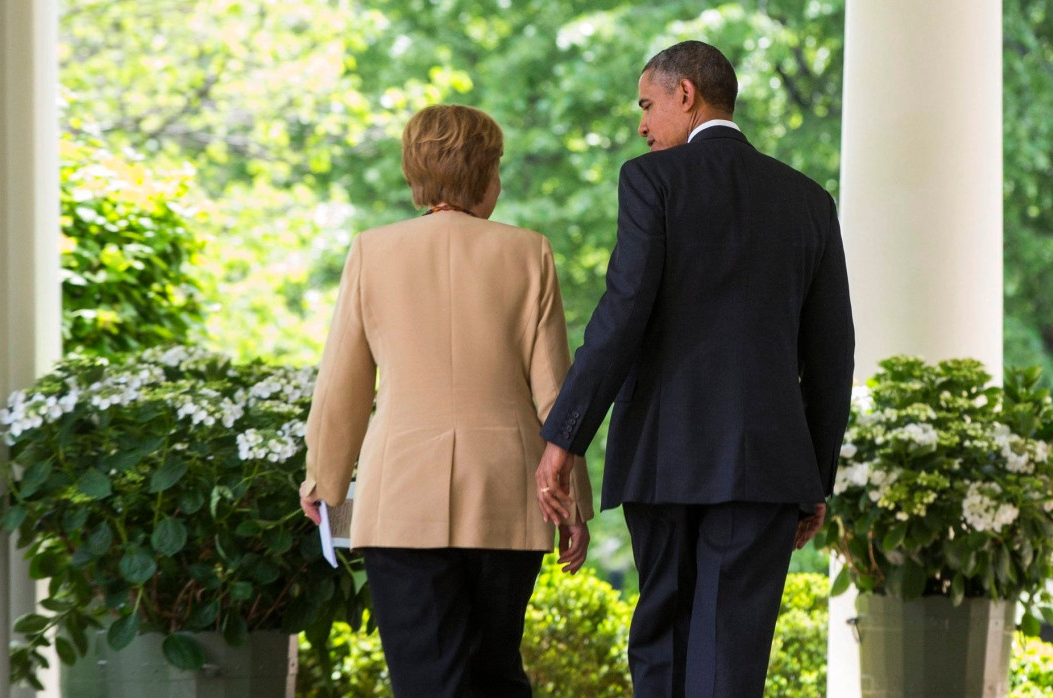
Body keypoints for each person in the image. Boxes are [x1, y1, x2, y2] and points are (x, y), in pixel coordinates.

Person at [534, 41, 854, 698]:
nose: (643, 126)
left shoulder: (651, 180)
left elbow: (621, 316)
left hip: (662, 457)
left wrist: (564, 437)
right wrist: (813, 478)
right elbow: (831, 353)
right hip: (766, 467)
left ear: (687, 94)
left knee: (662, 641)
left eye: (648, 106)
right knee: (731, 657)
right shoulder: (809, 200)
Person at [298, 103, 595, 698]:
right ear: (486, 174)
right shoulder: (530, 252)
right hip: (507, 496)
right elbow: (556, 395)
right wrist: (573, 501)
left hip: (401, 495)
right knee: (495, 675)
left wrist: (324, 483)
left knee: (425, 679)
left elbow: (343, 386)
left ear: (417, 174)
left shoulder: (371, 252)